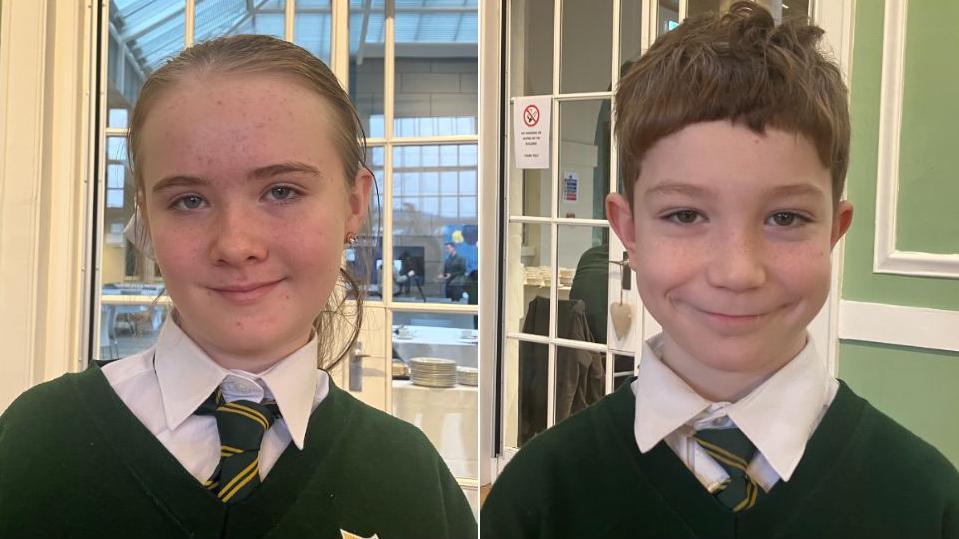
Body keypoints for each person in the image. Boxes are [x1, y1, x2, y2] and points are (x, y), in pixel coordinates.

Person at [481, 4, 959, 538]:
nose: (737, 271)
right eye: (685, 215)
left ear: (834, 231)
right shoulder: (541, 497)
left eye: (785, 217)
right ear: (628, 230)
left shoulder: (928, 503)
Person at [0, 35, 476, 538]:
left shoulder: (409, 478)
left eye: (282, 191)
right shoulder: (39, 443)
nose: (235, 244)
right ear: (146, 216)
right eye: (189, 201)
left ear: (354, 205)